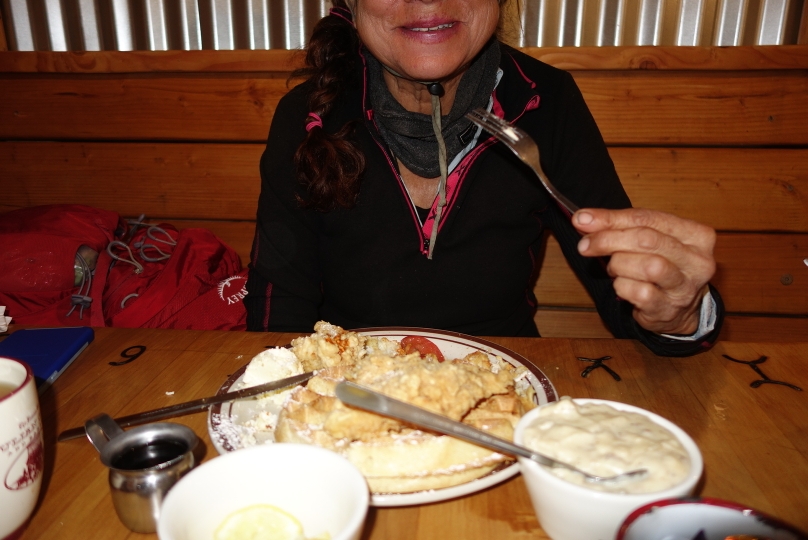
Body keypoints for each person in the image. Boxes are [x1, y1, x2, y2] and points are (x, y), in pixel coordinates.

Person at [245, 0, 723, 356]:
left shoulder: (545, 101)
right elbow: (277, 310)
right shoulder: (306, 115)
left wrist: (679, 314)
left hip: (504, 384)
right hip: (350, 386)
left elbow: (620, 287)